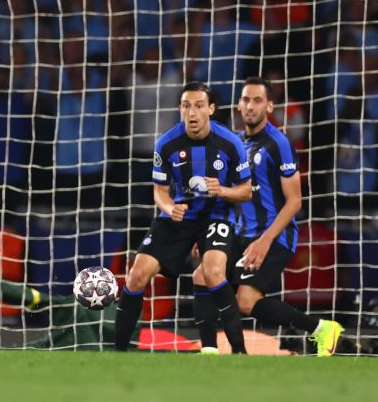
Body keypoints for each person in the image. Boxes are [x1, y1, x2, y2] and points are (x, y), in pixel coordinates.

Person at [192, 77, 343, 356]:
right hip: (239, 232)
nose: (250, 106)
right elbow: (225, 194)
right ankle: (209, 352)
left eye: (257, 100)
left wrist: (264, 241)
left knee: (246, 302)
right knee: (203, 274)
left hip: (274, 234)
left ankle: (322, 329)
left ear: (270, 106)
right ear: (239, 104)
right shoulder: (235, 144)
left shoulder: (279, 143)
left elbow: (295, 201)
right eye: (246, 100)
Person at [114, 81, 251, 353]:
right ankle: (118, 353)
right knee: (136, 276)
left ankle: (239, 351)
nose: (192, 112)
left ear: (211, 109)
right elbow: (160, 193)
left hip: (216, 214)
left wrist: (221, 190)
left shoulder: (231, 143)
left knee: (212, 272)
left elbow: (246, 192)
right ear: (180, 109)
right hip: (180, 215)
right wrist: (169, 208)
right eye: (186, 106)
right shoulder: (166, 144)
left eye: (199, 105)